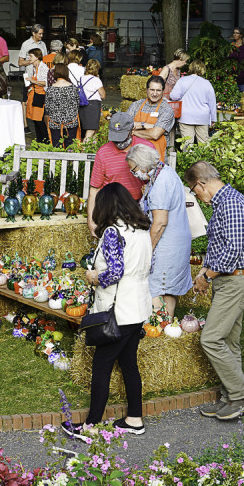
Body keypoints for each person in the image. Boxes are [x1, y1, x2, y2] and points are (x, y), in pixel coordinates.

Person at [71, 181, 150, 434]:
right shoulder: (141, 229)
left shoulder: (113, 233)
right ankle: (134, 419)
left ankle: (90, 426)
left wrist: (94, 277)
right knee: (128, 363)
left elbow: (115, 271)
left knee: (102, 366)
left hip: (119, 309)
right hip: (138, 306)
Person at [187, 160, 244, 420]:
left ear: (202, 184)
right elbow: (220, 247)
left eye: (194, 190)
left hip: (236, 279)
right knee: (229, 340)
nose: (197, 196)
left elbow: (231, 252)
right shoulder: (224, 203)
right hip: (230, 278)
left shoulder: (230, 204)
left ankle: (243, 395)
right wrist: (205, 271)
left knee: (211, 339)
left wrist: (206, 275)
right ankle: (231, 397)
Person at [126, 144, 193, 318]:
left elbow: (160, 223)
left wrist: (147, 250)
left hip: (166, 245)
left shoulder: (162, 182)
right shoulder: (166, 173)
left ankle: (158, 325)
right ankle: (167, 324)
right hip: (176, 243)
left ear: (143, 164)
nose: (134, 173)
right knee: (168, 289)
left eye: (134, 169)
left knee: (156, 286)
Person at [89, 113, 143, 225]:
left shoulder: (145, 149)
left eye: (122, 136)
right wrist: (91, 221)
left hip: (137, 207)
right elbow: (94, 189)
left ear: (132, 130)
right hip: (110, 208)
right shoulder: (103, 153)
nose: (118, 142)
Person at [168, 60, 216, 147]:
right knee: (204, 143)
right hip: (202, 117)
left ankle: (188, 160)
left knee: (187, 144)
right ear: (202, 69)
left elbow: (174, 96)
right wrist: (213, 119)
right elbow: (212, 102)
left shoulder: (183, 80)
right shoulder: (207, 83)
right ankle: (204, 160)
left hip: (186, 116)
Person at [127, 75, 175, 161]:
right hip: (134, 157)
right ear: (147, 90)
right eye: (152, 90)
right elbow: (125, 127)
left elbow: (155, 134)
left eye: (158, 90)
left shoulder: (166, 110)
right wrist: (148, 126)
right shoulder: (136, 105)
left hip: (155, 158)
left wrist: (134, 130)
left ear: (163, 91)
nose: (155, 94)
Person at [44, 59, 80, 146]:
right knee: (71, 148)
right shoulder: (73, 88)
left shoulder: (50, 89)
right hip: (71, 122)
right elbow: (77, 105)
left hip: (55, 123)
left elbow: (47, 108)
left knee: (57, 148)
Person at [16, 24, 47, 106]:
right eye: (40, 34)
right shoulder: (26, 44)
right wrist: (32, 60)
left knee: (39, 101)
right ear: (34, 33)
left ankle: (36, 117)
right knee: (25, 98)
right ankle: (24, 119)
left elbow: (45, 60)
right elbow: (20, 62)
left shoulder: (42, 44)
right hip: (28, 75)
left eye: (42, 34)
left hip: (40, 76)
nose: (42, 36)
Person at [23, 47, 49, 142]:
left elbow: (45, 82)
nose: (29, 58)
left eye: (30, 56)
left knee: (39, 119)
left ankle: (45, 140)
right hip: (34, 94)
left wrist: (32, 80)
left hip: (40, 95)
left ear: (37, 57)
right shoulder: (35, 67)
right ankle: (39, 140)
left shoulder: (43, 67)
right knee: (35, 119)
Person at [77, 59, 105, 142]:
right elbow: (103, 95)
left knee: (93, 131)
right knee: (91, 131)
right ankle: (84, 151)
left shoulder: (81, 78)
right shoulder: (96, 80)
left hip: (83, 105)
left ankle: (92, 151)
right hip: (93, 106)